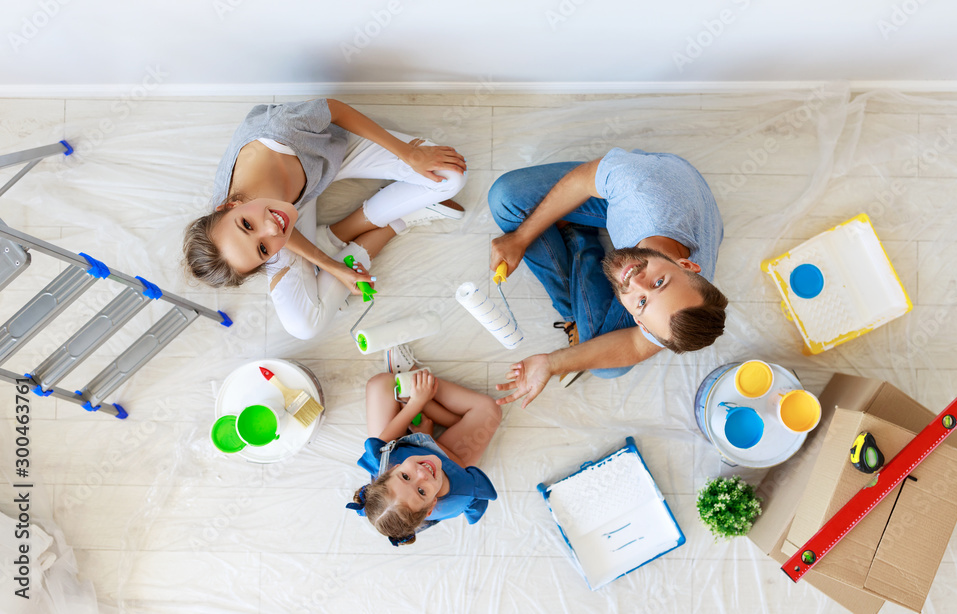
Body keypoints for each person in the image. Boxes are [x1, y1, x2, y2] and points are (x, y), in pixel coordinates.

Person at [183, 98, 468, 339]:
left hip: (329, 153)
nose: (270, 228)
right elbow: (274, 231)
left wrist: (410, 154)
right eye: (263, 250)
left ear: (229, 204)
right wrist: (334, 267)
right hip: (291, 204)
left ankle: (347, 231)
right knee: (302, 327)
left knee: (451, 177)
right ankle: (394, 222)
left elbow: (335, 109)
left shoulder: (281, 129)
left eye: (247, 225)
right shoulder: (262, 223)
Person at [488, 147, 727, 408]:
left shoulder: (682, 306)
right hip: (650, 191)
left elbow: (636, 347)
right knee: (504, 197)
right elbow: (582, 179)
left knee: (606, 368)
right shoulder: (638, 187)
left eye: (642, 302)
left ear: (640, 323)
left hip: (679, 214)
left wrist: (551, 363)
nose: (632, 280)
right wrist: (521, 238)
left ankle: (577, 235)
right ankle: (577, 237)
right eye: (659, 282)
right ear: (687, 265)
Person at [348, 346, 501, 546]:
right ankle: (420, 388)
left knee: (380, 383)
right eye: (421, 491)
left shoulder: (383, 461)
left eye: (405, 476)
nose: (422, 474)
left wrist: (415, 405)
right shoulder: (459, 493)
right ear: (431, 506)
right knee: (490, 410)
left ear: (391, 469)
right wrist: (428, 436)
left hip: (405, 446)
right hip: (448, 459)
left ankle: (416, 392)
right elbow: (458, 463)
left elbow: (385, 440)